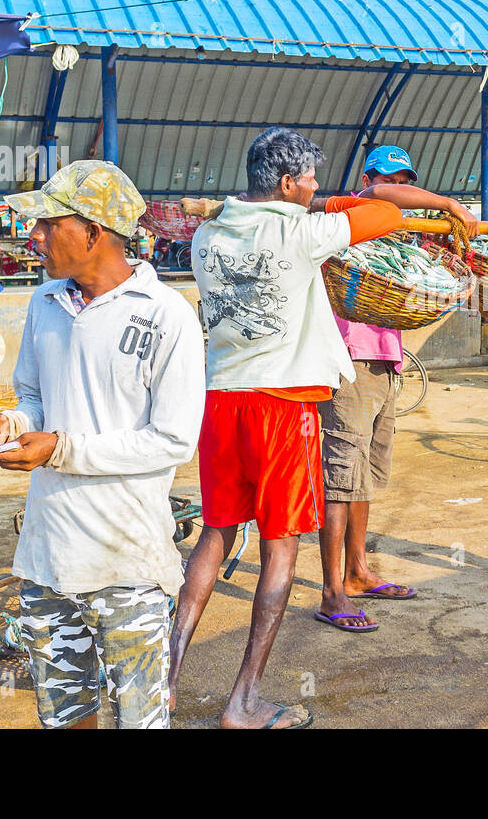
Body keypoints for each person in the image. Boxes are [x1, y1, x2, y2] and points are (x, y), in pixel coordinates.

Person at [169, 127, 425, 729]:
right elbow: (388, 208)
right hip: (281, 408)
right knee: (280, 547)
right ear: (287, 183)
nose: (315, 187)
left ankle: (167, 680)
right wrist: (343, 203)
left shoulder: (208, 233)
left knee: (215, 535)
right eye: (310, 179)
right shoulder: (303, 230)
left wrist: (320, 202)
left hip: (222, 400)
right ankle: (243, 701)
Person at [0, 160, 205, 730]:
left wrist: (60, 449)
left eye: (48, 223)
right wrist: (8, 421)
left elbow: (172, 440)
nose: (33, 235)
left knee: (140, 717)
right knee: (65, 714)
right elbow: (35, 400)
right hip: (49, 556)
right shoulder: (44, 303)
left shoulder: (167, 318)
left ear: (93, 231)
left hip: (127, 560)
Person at [316, 145, 478, 632]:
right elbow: (380, 194)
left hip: (386, 359)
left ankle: (359, 570)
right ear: (367, 178)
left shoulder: (400, 233)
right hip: (351, 360)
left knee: (364, 472)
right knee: (341, 474)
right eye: (394, 179)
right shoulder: (351, 210)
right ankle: (332, 591)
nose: (400, 188)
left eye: (407, 179)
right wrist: (448, 205)